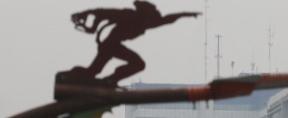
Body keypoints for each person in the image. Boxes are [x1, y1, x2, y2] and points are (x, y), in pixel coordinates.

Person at [61, 1, 201, 85]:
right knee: (137, 64)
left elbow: (168, 19)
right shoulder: (130, 15)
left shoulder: (147, 22)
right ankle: (105, 80)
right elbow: (103, 12)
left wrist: (186, 14)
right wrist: (82, 14)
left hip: (111, 45)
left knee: (94, 70)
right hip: (110, 44)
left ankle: (76, 77)